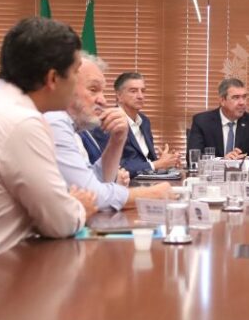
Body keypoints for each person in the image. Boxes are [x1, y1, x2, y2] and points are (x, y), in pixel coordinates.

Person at [0, 17, 96, 277]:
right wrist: (79, 207)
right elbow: (59, 222)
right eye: (76, 71)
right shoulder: (21, 122)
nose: (78, 81)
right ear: (52, 78)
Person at [45, 55, 170, 211]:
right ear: (64, 86)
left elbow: (100, 180)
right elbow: (92, 194)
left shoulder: (73, 128)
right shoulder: (54, 121)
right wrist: (151, 194)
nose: (103, 101)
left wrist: (117, 140)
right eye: (93, 90)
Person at [186, 78, 249, 162]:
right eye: (236, 97)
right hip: (213, 171)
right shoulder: (202, 121)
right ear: (222, 100)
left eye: (244, 97)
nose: (242, 102)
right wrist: (222, 160)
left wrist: (245, 160)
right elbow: (193, 157)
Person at [114, 72, 180, 177]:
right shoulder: (111, 122)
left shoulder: (144, 121)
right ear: (119, 95)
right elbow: (116, 167)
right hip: (127, 184)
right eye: (133, 91)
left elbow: (147, 161)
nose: (140, 96)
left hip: (147, 180)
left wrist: (165, 162)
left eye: (143, 91)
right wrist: (156, 164)